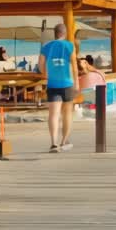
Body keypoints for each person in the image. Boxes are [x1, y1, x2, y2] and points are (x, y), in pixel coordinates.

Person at [38, 24, 76, 152]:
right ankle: (64, 141)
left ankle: (54, 143)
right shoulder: (70, 45)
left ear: (54, 33)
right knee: (67, 113)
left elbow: (40, 65)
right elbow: (74, 66)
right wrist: (77, 82)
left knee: (53, 114)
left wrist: (45, 75)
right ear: (65, 33)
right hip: (67, 83)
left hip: (52, 84)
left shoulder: (46, 46)